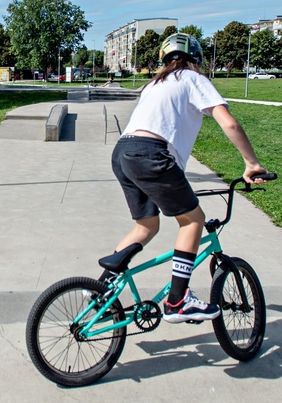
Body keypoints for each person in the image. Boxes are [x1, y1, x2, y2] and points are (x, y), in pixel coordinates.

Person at [108, 33, 268, 324]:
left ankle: (101, 292)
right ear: (196, 60)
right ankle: (178, 301)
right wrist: (252, 163)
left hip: (123, 152)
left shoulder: (154, 84)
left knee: (146, 226)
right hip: (151, 155)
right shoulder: (195, 80)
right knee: (193, 220)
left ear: (164, 60)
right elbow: (229, 122)